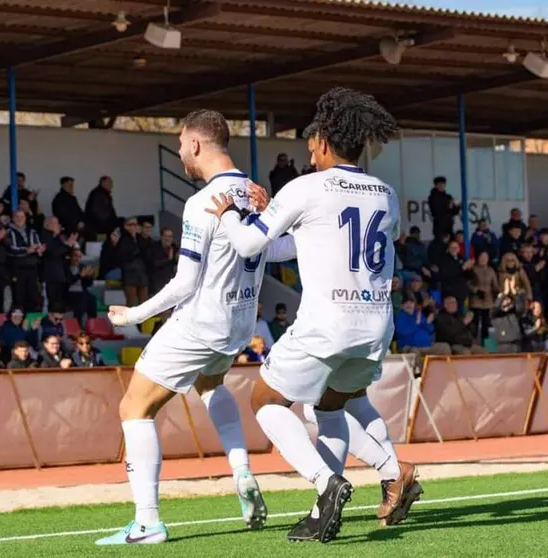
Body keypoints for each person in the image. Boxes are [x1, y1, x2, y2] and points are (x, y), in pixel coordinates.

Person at [204, 88, 418, 542]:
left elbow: (248, 245)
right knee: (332, 406)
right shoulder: (385, 192)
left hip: (327, 322)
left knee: (265, 401)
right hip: (376, 323)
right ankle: (382, 476)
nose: (308, 149)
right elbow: (325, 240)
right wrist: (274, 216)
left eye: (311, 142)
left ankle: (327, 484)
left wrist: (230, 215)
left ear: (322, 142)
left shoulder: (304, 187)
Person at [102, 109, 299, 547]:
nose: (179, 154)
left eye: (180, 145)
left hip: (201, 322)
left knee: (134, 409)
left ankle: (147, 522)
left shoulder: (201, 202)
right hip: (239, 322)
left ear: (195, 144)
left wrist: (132, 316)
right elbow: (282, 252)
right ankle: (242, 471)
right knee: (209, 387)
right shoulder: (255, 192)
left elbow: (186, 282)